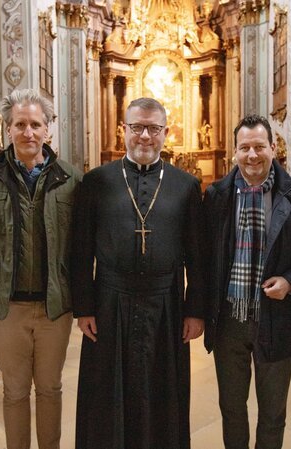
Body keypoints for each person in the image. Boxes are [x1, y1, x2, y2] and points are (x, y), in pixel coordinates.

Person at [72, 97, 206, 449]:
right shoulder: (96, 181)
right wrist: (84, 306)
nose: (145, 136)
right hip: (109, 302)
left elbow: (198, 255)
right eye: (137, 128)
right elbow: (81, 250)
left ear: (166, 132)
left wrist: (194, 310)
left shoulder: (186, 185)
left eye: (153, 129)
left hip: (167, 304)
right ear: (124, 131)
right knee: (107, 391)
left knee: (163, 390)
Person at [203, 115, 291, 449]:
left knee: (273, 413)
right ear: (234, 152)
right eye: (244, 148)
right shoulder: (216, 195)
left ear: (273, 148)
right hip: (229, 319)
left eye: (259, 146)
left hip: (276, 317)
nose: (252, 155)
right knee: (231, 408)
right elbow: (203, 257)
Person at [0, 88, 81, 449]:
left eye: (36, 124)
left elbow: (81, 245)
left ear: (49, 129)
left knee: (49, 387)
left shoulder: (70, 179)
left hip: (54, 305)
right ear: (7, 129)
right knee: (15, 390)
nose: (28, 132)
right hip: (7, 306)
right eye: (20, 124)